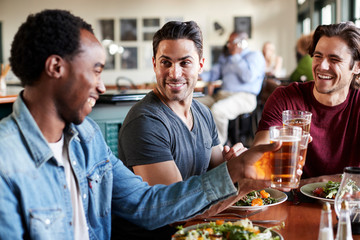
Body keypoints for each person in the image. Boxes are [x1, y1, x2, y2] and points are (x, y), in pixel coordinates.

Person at [0, 9, 282, 240]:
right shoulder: (5, 162)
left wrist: (238, 174)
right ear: (56, 68)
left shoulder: (87, 137)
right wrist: (234, 175)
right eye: (96, 70)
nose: (101, 85)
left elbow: (148, 205)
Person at [116, 21, 247, 239]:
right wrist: (239, 175)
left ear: (201, 65)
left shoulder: (204, 113)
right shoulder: (145, 121)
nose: (174, 73)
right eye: (165, 62)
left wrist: (234, 162)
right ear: (154, 64)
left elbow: (217, 171)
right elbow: (173, 212)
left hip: (200, 227)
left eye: (185, 63)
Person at [253, 21, 360, 186]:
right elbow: (259, 156)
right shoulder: (285, 98)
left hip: (349, 206)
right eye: (318, 56)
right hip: (291, 202)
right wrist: (247, 160)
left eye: (334, 59)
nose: (322, 66)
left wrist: (320, 182)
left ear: (357, 66)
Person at [199, 31, 266, 145]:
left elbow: (248, 77)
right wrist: (199, 75)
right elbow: (213, 74)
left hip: (244, 97)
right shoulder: (225, 58)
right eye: (228, 42)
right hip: (221, 95)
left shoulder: (255, 56)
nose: (228, 45)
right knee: (193, 104)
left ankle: (217, 148)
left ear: (241, 43)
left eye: (231, 42)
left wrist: (236, 56)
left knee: (218, 111)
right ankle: (198, 142)